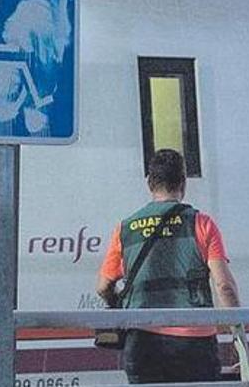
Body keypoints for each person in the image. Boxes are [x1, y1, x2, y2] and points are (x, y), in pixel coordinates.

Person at [95, 148, 241, 384]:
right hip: (194, 343)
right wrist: (237, 336)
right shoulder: (202, 224)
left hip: (142, 340)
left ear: (149, 183)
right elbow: (224, 286)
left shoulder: (125, 229)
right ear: (182, 183)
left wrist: (117, 303)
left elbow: (103, 286)